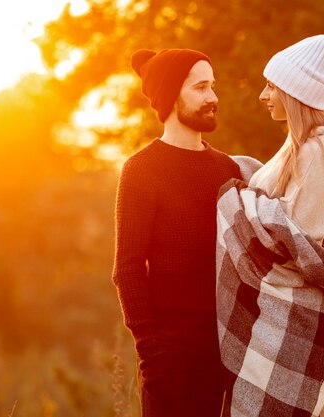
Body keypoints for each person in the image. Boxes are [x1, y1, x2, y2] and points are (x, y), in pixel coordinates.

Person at [216, 34, 324, 417]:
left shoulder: (318, 151)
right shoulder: (296, 148)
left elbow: (296, 238)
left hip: (291, 313)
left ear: (294, 93)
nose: (263, 96)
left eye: (271, 87)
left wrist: (238, 200)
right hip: (272, 310)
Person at [112, 47, 242, 417]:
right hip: (167, 357)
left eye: (213, 87)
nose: (213, 98)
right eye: (201, 88)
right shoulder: (141, 170)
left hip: (221, 351)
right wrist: (151, 354)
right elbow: (128, 269)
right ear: (171, 96)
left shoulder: (226, 169)